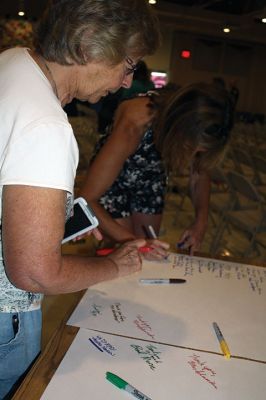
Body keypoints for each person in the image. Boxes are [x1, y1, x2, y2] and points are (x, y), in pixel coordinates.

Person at [0, 0, 164, 398]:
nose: (128, 81)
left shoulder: (13, 62)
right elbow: (35, 274)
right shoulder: (47, 126)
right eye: (129, 64)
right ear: (90, 44)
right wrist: (115, 267)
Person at [80, 82, 234, 253]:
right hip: (113, 180)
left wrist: (201, 223)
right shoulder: (136, 122)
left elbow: (200, 173)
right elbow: (87, 200)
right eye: (191, 148)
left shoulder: (203, 128)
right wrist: (137, 243)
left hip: (151, 176)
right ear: (179, 129)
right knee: (125, 252)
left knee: (148, 254)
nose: (192, 157)